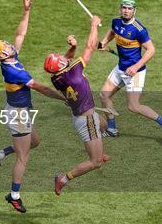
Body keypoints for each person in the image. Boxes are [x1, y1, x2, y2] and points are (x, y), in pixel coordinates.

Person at [0, 0, 65, 213]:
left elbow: (21, 33)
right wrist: (62, 98)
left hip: (22, 112)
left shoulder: (13, 58)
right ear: (2, 54)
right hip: (17, 114)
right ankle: (14, 196)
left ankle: (0, 153)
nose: (10, 44)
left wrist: (27, 11)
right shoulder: (12, 70)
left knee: (35, 142)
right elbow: (41, 87)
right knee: (23, 158)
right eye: (5, 45)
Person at [44, 15, 111, 195]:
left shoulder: (57, 77)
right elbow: (90, 46)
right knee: (95, 162)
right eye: (60, 58)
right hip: (86, 119)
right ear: (61, 66)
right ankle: (62, 179)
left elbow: (66, 61)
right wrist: (94, 25)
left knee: (103, 124)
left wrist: (72, 47)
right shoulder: (73, 73)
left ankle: (97, 146)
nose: (63, 56)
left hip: (82, 114)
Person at [98, 0, 162, 143]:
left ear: (134, 11)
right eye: (124, 8)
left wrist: (135, 67)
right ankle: (112, 129)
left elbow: (151, 50)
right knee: (103, 95)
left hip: (136, 72)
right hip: (121, 68)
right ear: (120, 9)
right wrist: (103, 43)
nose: (126, 11)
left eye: (129, 8)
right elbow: (112, 32)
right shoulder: (116, 22)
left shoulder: (139, 30)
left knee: (133, 106)